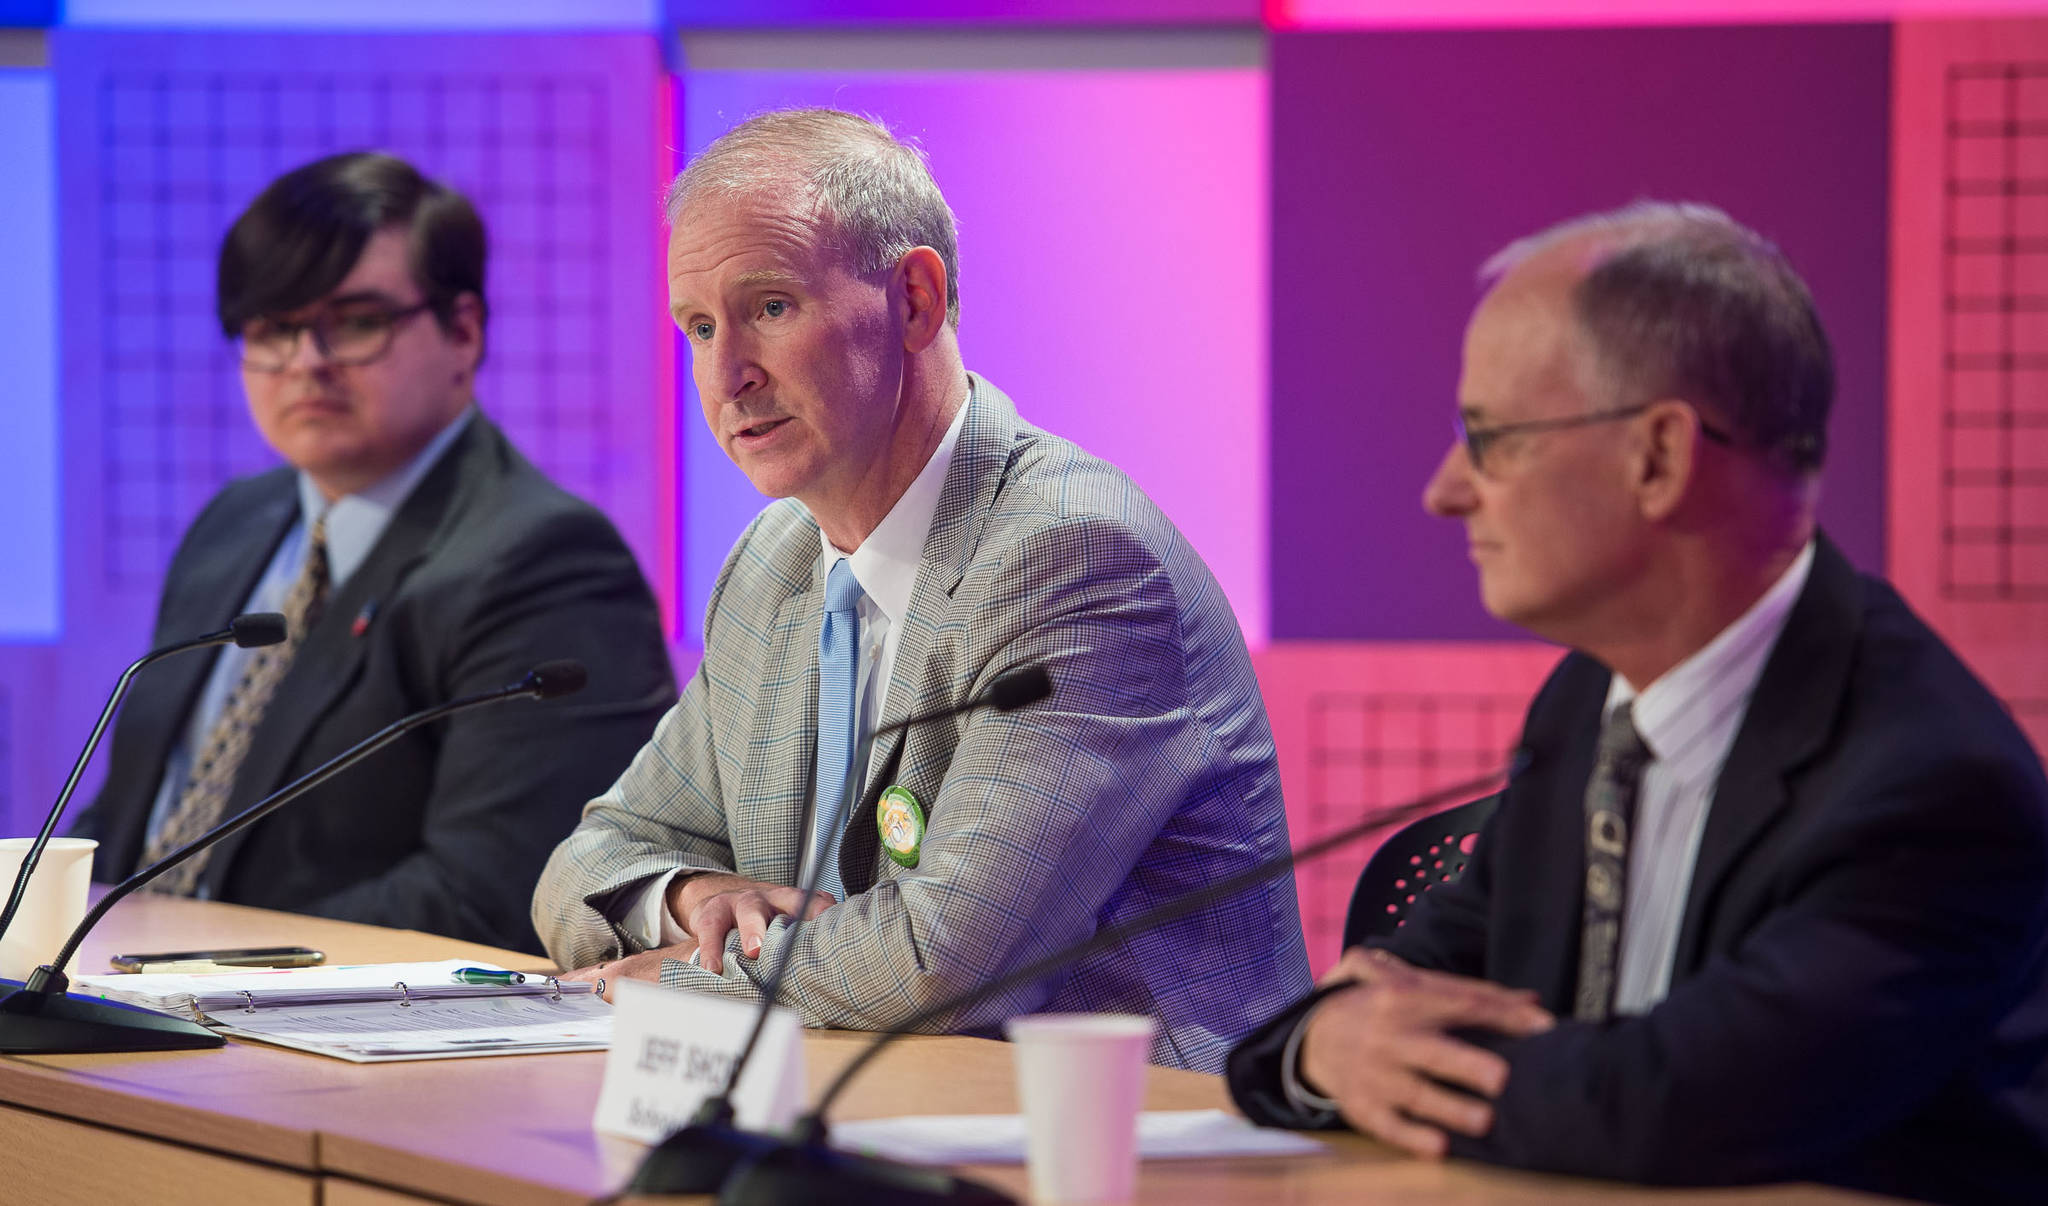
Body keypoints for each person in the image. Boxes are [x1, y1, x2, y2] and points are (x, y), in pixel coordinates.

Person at [1226, 202, 2048, 1203]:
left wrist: (1364, 1053)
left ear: (1656, 457)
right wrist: (1323, 1046)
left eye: (1487, 438)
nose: (1445, 491)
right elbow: (1379, 998)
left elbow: (1680, 1108)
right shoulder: (1589, 697)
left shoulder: (1929, 783)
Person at [531, 108, 1310, 1074]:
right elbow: (593, 858)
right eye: (698, 326)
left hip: (1114, 1143)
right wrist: (690, 896)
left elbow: (942, 965)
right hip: (839, 1110)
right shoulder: (776, 561)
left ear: (913, 300)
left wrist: (671, 982)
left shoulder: (1076, 560)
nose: (725, 375)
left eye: (769, 307)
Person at [72, 153, 676, 954]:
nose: (306, 362)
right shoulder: (232, 525)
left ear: (463, 331)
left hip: (320, 1039)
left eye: (355, 322)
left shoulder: (545, 560)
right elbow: (130, 821)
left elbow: (497, 894)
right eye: (274, 329)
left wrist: (175, 956)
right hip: (118, 1006)